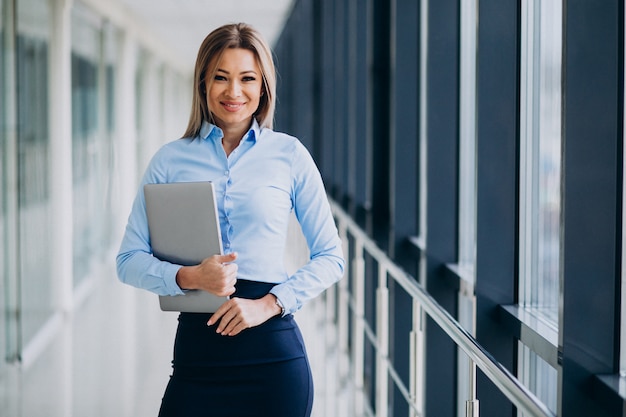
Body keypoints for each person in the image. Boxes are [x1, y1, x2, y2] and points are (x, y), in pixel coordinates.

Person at [116, 22, 345, 417]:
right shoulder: (169, 160)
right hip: (196, 359)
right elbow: (128, 260)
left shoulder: (290, 155)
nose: (234, 91)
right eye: (221, 77)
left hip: (273, 361)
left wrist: (269, 304)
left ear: (263, 87)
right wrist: (190, 278)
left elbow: (331, 256)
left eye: (247, 78)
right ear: (203, 83)